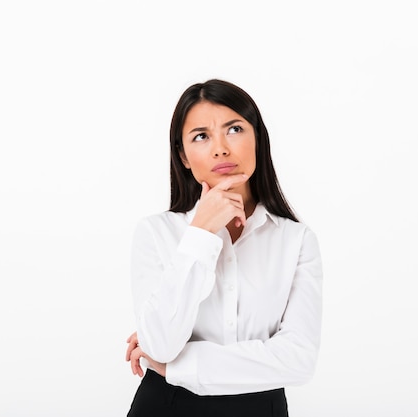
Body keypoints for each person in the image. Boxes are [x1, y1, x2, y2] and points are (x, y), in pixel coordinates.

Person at [124, 79, 323, 417]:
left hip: (261, 409)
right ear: (184, 157)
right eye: (201, 136)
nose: (220, 148)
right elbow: (161, 344)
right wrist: (201, 231)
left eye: (234, 129)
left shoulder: (296, 239)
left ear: (257, 138)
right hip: (166, 407)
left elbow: (299, 360)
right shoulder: (156, 233)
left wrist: (174, 367)